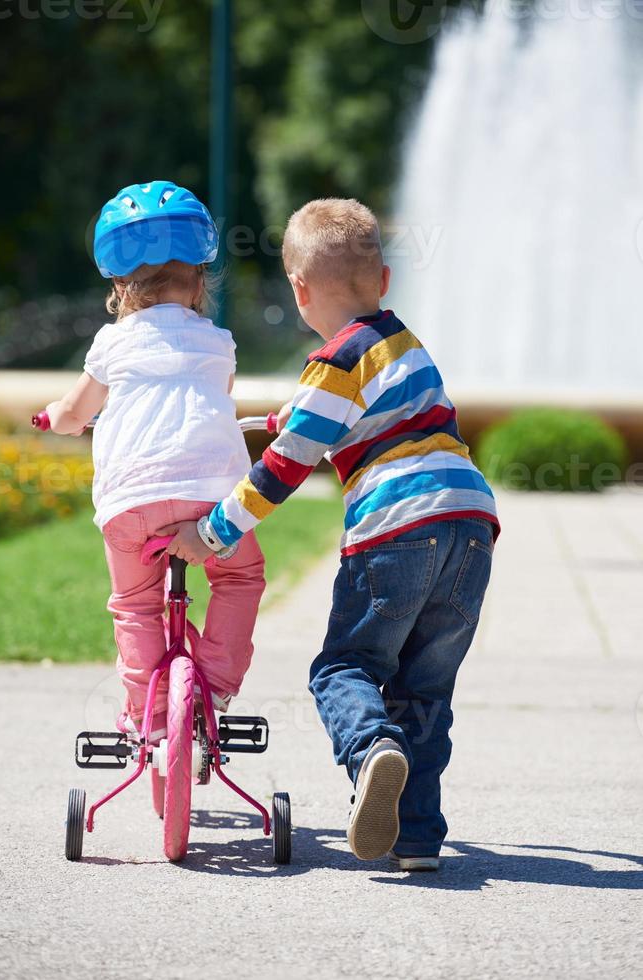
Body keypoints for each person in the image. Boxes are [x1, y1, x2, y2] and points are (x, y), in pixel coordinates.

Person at [156, 197, 499, 870]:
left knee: (345, 667)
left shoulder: (332, 364)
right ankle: (417, 838)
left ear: (301, 290)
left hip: (395, 530)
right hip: (470, 529)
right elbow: (365, 412)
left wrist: (212, 533)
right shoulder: (404, 344)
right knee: (424, 692)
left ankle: (370, 748)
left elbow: (283, 468)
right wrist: (298, 411)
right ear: (385, 283)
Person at [44, 181, 265, 743]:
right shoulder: (219, 341)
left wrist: (55, 417)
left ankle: (146, 712)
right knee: (239, 576)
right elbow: (219, 396)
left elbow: (75, 414)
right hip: (213, 496)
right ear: (198, 282)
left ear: (120, 285)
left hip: (131, 501)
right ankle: (214, 687)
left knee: (136, 605)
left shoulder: (110, 344)